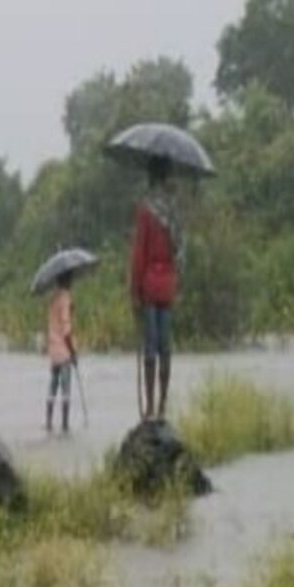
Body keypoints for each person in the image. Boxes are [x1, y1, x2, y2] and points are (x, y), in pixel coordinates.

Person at [129, 156, 182, 421]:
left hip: (149, 284)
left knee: (150, 347)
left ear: (151, 177)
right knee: (166, 346)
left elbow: (139, 254)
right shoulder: (173, 212)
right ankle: (162, 405)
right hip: (169, 284)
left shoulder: (146, 210)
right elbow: (180, 252)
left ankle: (149, 407)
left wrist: (134, 291)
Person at [46, 269, 78, 433]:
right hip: (64, 351)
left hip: (53, 349)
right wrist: (73, 352)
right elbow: (66, 329)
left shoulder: (53, 298)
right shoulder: (65, 298)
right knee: (66, 390)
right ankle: (65, 424)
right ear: (67, 280)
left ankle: (49, 422)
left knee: (52, 387)